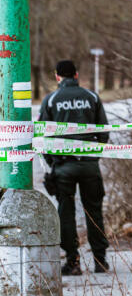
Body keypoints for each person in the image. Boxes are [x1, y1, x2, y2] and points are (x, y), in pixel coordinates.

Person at [38, 60, 110, 275]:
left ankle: (73, 262)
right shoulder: (92, 97)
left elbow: (43, 135)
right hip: (89, 165)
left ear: (57, 76)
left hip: (64, 166)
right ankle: (100, 260)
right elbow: (104, 132)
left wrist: (52, 162)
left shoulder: (51, 101)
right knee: (94, 211)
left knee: (66, 214)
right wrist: (92, 155)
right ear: (76, 75)